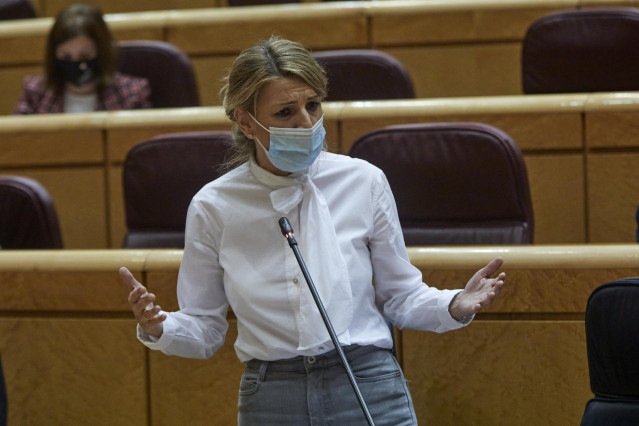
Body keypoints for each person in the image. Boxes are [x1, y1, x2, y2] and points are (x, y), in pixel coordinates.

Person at [119, 36, 506, 425]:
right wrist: (161, 327)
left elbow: (400, 296)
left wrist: (453, 304)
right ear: (245, 122)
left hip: (366, 379)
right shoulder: (214, 206)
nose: (305, 122)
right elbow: (204, 328)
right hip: (273, 393)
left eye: (313, 105)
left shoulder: (363, 181)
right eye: (286, 112)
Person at [13, 3, 151, 114]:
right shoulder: (35, 94)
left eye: (84, 56)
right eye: (66, 56)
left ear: (102, 52)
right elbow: (18, 144)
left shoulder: (131, 95)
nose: (76, 63)